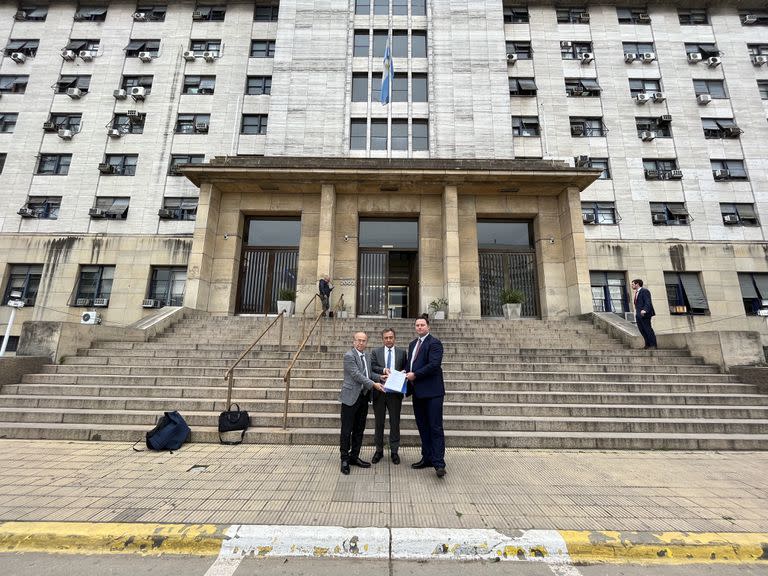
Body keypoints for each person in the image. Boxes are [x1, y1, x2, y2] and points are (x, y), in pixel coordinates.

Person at [406, 315, 446, 478]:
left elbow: (434, 364)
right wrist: (402, 373)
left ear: (428, 327)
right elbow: (410, 365)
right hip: (418, 393)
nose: (420, 327)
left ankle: (439, 463)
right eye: (417, 325)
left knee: (435, 427)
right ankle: (427, 457)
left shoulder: (434, 343)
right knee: (423, 427)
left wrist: (415, 374)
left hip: (433, 393)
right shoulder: (412, 344)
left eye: (422, 325)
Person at [339, 332, 385, 475]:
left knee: (359, 428)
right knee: (347, 430)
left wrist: (380, 377)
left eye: (363, 341)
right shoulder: (349, 356)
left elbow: (369, 374)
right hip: (350, 397)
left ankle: (354, 456)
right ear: (354, 342)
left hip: (364, 397)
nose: (361, 343)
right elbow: (357, 375)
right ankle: (344, 459)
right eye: (358, 340)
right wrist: (374, 385)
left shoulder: (367, 356)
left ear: (366, 342)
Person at [370, 328, 408, 465]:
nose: (388, 340)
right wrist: (382, 372)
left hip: (395, 394)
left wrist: (404, 373)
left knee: (395, 423)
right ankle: (379, 451)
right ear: (382, 339)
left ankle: (394, 452)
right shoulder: (375, 352)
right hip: (379, 392)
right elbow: (371, 369)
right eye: (386, 338)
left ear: (394, 338)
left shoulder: (402, 353)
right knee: (379, 423)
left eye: (391, 337)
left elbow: (406, 368)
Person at [632, 278, 657, 349]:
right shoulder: (637, 293)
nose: (632, 285)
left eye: (633, 284)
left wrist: (645, 310)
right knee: (642, 330)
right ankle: (647, 344)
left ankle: (653, 345)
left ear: (637, 284)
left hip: (644, 314)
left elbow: (647, 301)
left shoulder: (644, 291)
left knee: (647, 329)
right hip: (638, 314)